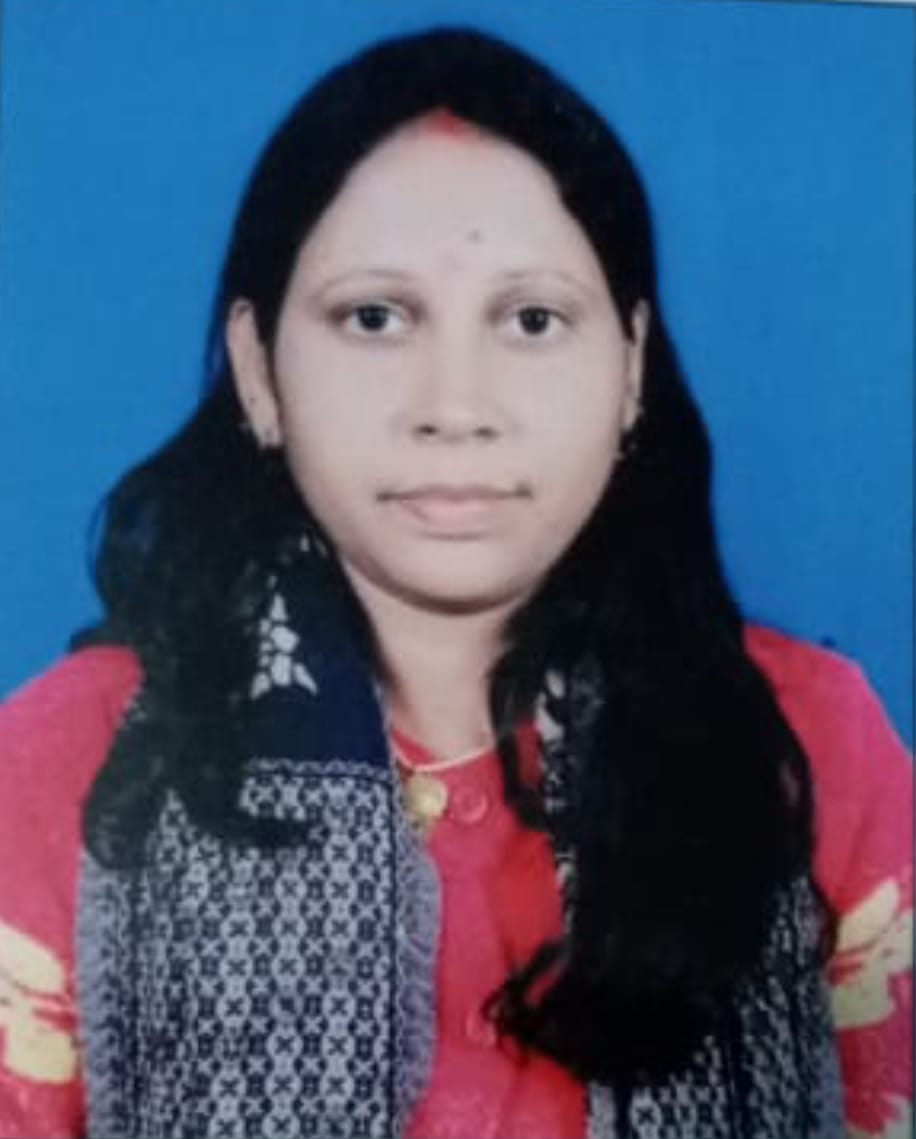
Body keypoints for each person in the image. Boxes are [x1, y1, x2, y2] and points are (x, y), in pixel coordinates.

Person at [0, 26, 911, 1139]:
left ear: (630, 368)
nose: (456, 406)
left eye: (532, 320)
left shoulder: (807, 744)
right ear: (259, 372)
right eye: (375, 317)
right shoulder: (70, 767)